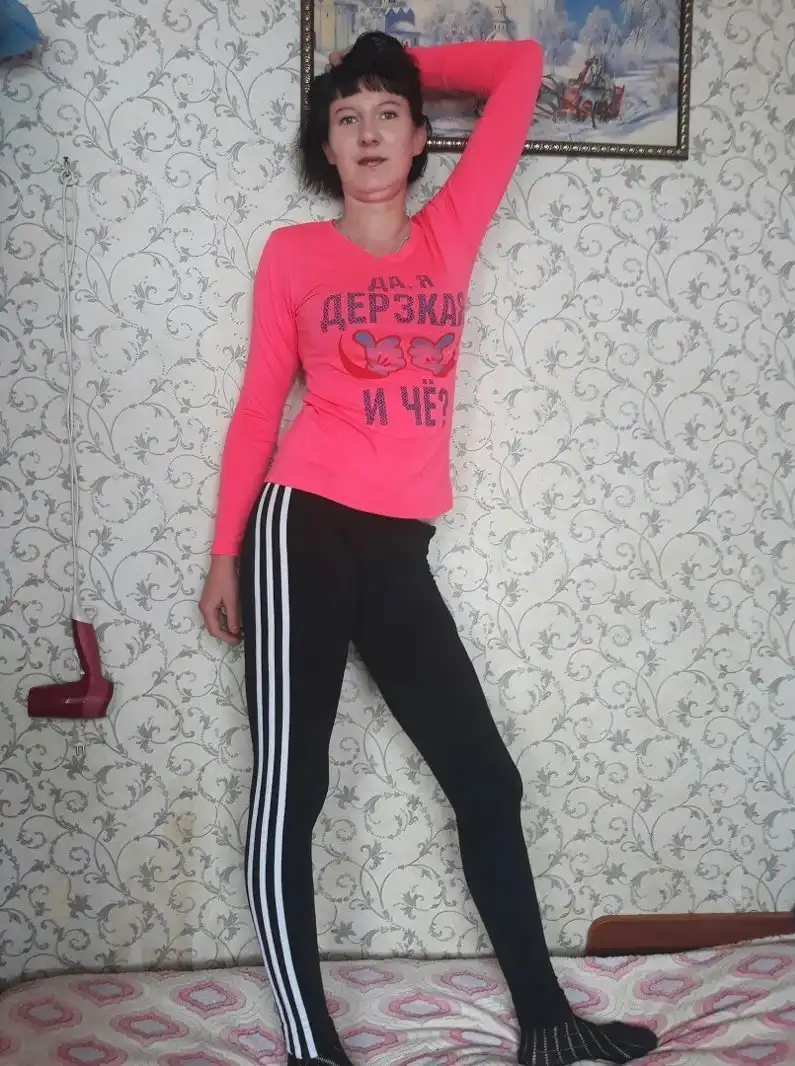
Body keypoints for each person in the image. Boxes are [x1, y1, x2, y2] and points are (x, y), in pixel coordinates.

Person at [199, 31, 659, 1066]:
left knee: (487, 780)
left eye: (387, 114)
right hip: (299, 530)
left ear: (417, 141)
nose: (368, 133)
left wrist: (391, 61)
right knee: (293, 786)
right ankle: (313, 1048)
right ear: (326, 146)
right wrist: (225, 552)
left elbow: (521, 67)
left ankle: (547, 1026)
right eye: (346, 117)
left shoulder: (449, 231)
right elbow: (258, 408)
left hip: (397, 550)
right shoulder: (292, 254)